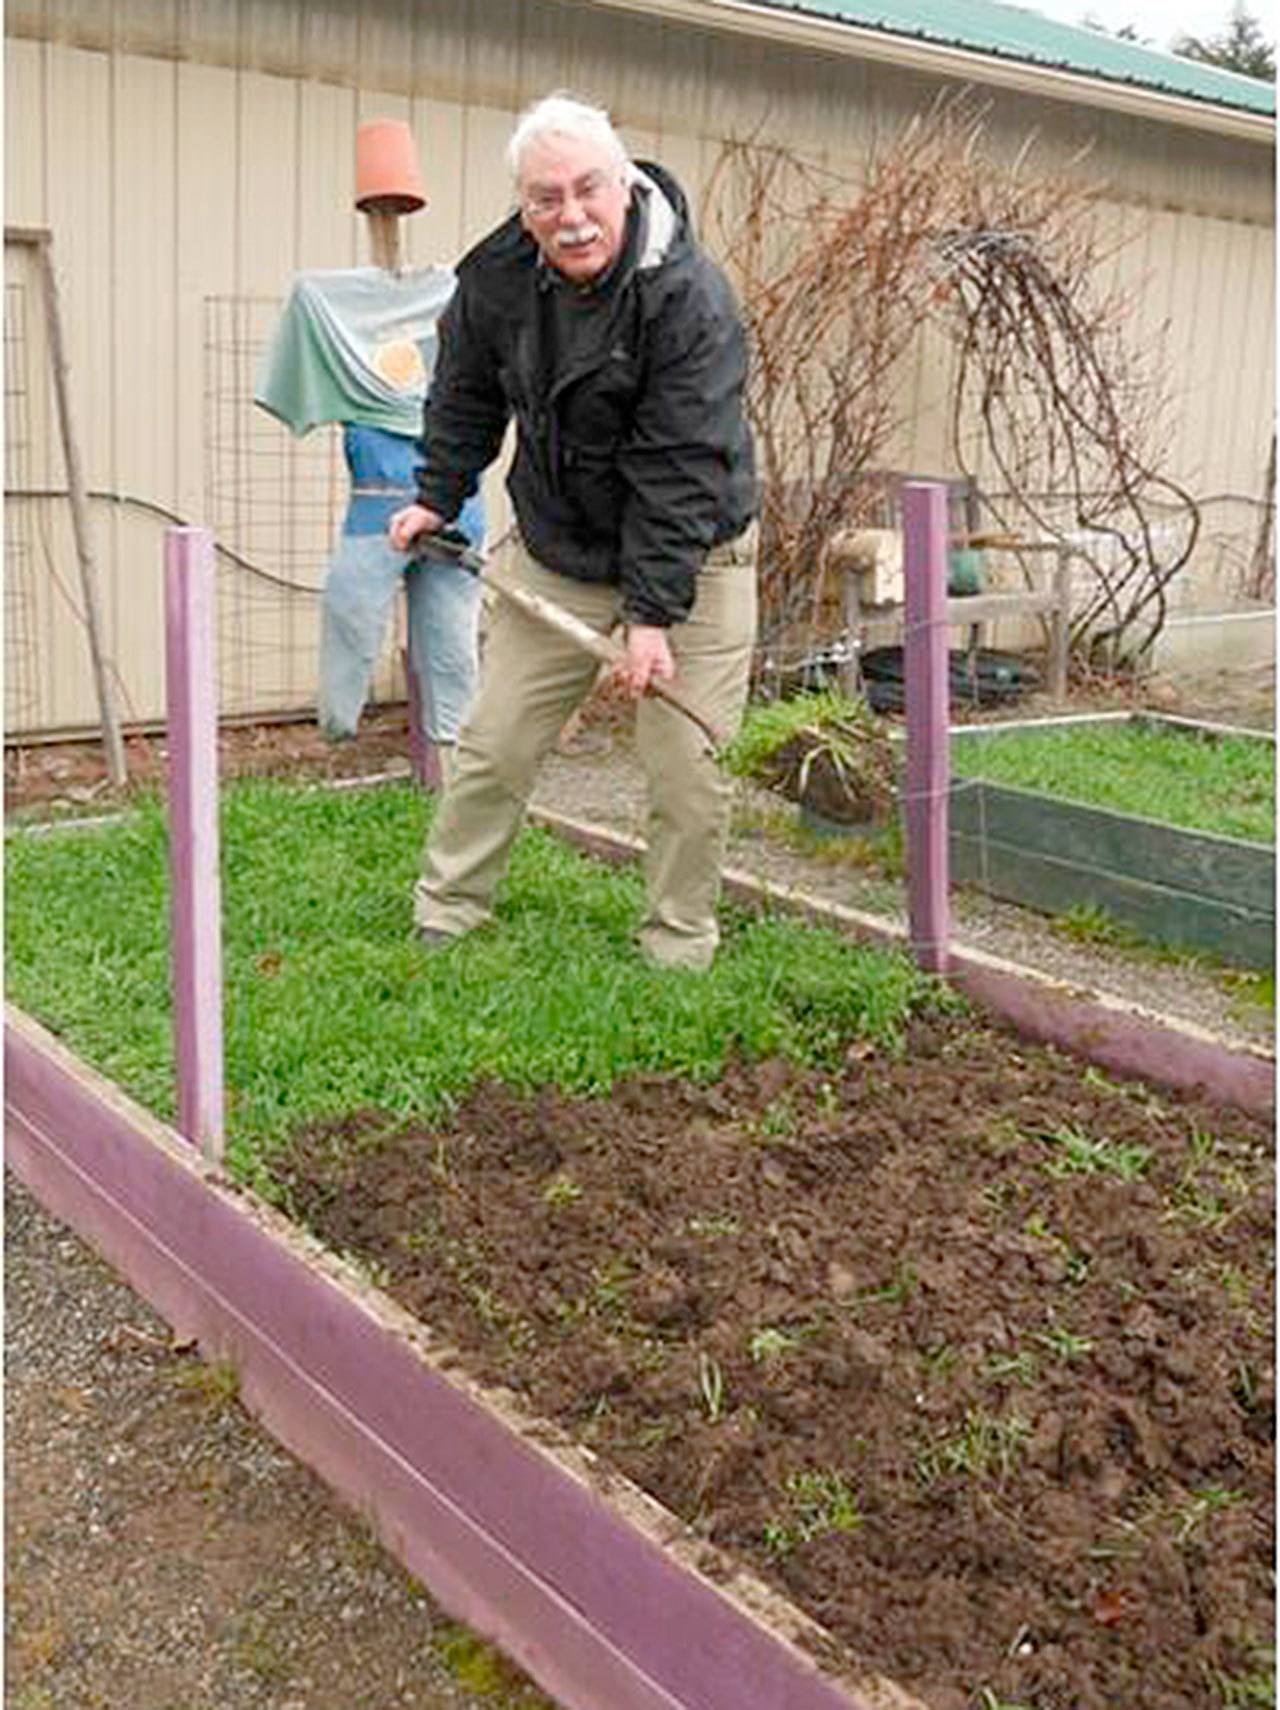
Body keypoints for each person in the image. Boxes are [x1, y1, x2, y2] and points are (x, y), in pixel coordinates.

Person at [389, 92, 757, 969]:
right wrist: (439, 492)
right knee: (494, 742)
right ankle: (446, 913)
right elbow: (466, 391)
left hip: (693, 561)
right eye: (545, 198)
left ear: (624, 184)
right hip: (560, 551)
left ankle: (678, 943)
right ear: (524, 206)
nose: (571, 215)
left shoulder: (689, 299)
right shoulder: (497, 277)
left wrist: (653, 614)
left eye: (588, 189)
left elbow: (680, 468)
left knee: (686, 770)